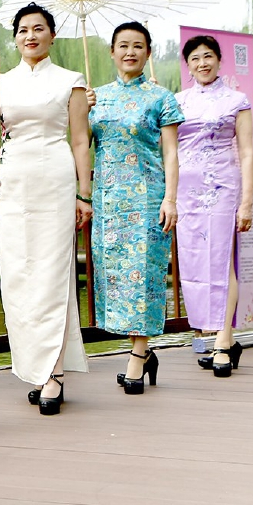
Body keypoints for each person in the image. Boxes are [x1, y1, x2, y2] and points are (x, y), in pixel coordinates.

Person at [0, 4, 91, 415]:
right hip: (12, 181)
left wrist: (84, 194)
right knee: (18, 275)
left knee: (53, 274)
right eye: (23, 30)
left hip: (55, 178)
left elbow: (80, 140)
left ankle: (54, 372)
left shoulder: (71, 80)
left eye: (38, 29)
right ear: (15, 37)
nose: (30, 36)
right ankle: (34, 366)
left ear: (52, 35)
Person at [88, 21, 183, 395]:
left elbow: (171, 153)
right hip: (108, 202)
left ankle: (137, 357)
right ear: (112, 52)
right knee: (116, 277)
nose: (130, 52)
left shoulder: (162, 97)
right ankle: (143, 353)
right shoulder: (96, 97)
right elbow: (80, 143)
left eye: (138, 46)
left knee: (143, 275)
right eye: (123, 45)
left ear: (148, 53)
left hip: (147, 199)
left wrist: (170, 198)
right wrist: (81, 111)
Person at [174, 35, 253, 377]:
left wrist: (246, 202)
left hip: (221, 187)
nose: (202, 63)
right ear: (188, 65)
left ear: (219, 60)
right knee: (193, 260)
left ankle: (223, 341)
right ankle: (215, 335)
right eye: (195, 58)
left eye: (208, 56)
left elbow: (247, 153)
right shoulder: (177, 101)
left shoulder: (237, 100)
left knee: (222, 261)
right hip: (185, 191)